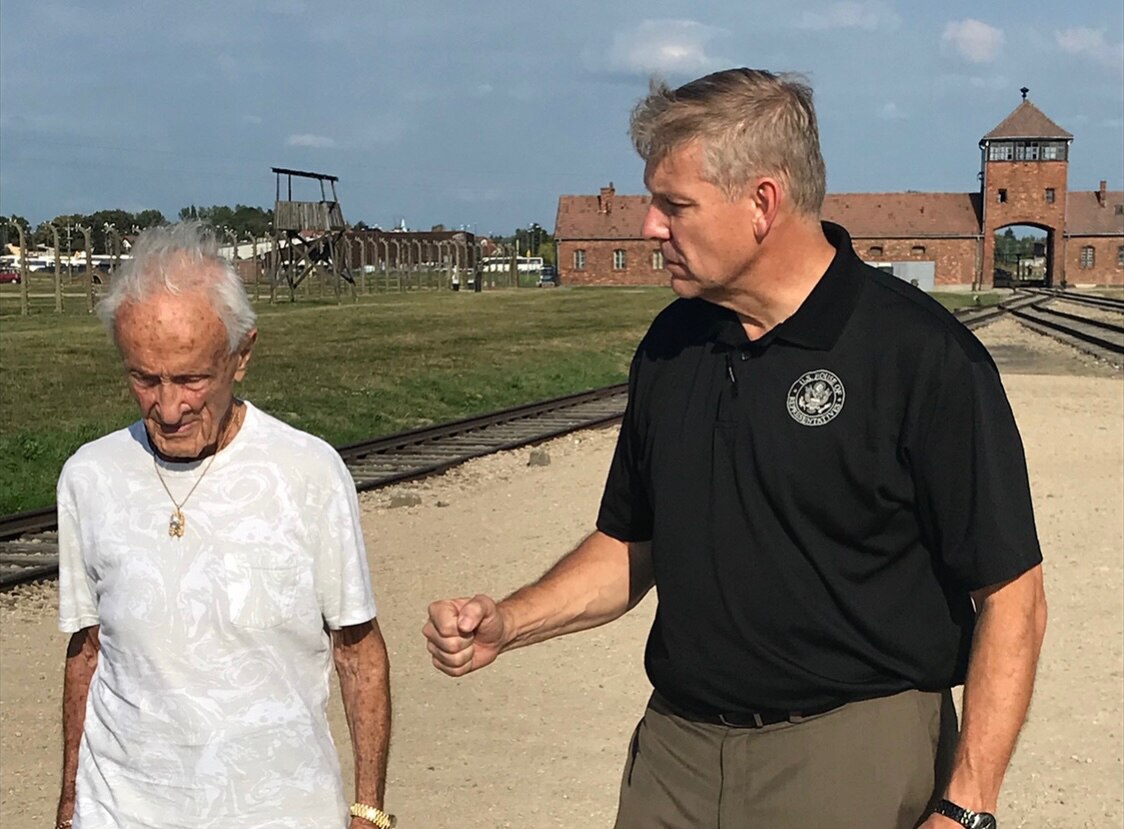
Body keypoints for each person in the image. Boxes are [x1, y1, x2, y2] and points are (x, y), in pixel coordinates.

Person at [424, 69, 1046, 829]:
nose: (651, 227)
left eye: (675, 205)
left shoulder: (920, 355)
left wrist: (967, 806)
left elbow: (1012, 595)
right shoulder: (673, 342)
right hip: (677, 757)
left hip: (849, 754)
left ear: (762, 202)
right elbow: (631, 542)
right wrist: (509, 620)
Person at [55, 222, 395, 829]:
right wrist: (69, 806)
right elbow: (88, 652)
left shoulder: (309, 473)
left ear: (242, 357)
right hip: (122, 809)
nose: (167, 406)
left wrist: (369, 810)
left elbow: (358, 653)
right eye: (143, 377)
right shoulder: (90, 477)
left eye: (190, 379)